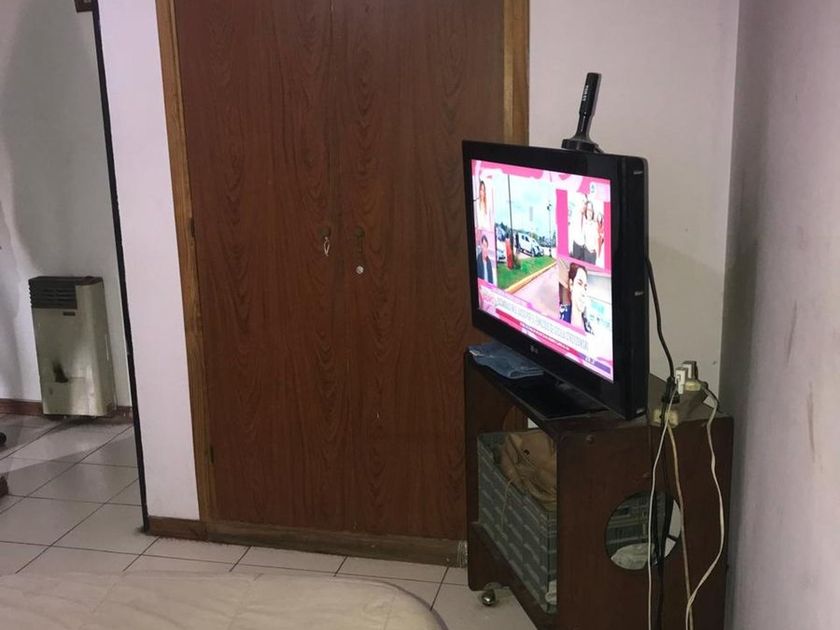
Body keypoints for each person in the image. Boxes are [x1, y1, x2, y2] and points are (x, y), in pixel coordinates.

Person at [559, 262, 592, 333]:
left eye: (585, 287)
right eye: (579, 284)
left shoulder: (588, 327)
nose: (583, 293)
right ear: (571, 284)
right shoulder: (560, 315)